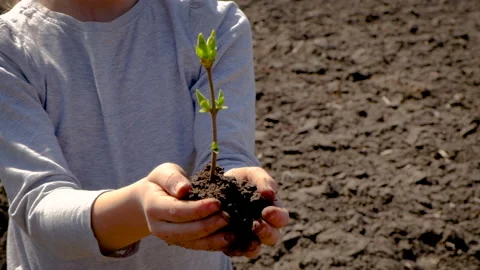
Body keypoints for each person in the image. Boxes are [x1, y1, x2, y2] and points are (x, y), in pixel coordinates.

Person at [0, 0, 289, 269]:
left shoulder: (210, 20)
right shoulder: (11, 49)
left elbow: (226, 155)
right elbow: (40, 206)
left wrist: (239, 189)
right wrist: (139, 209)